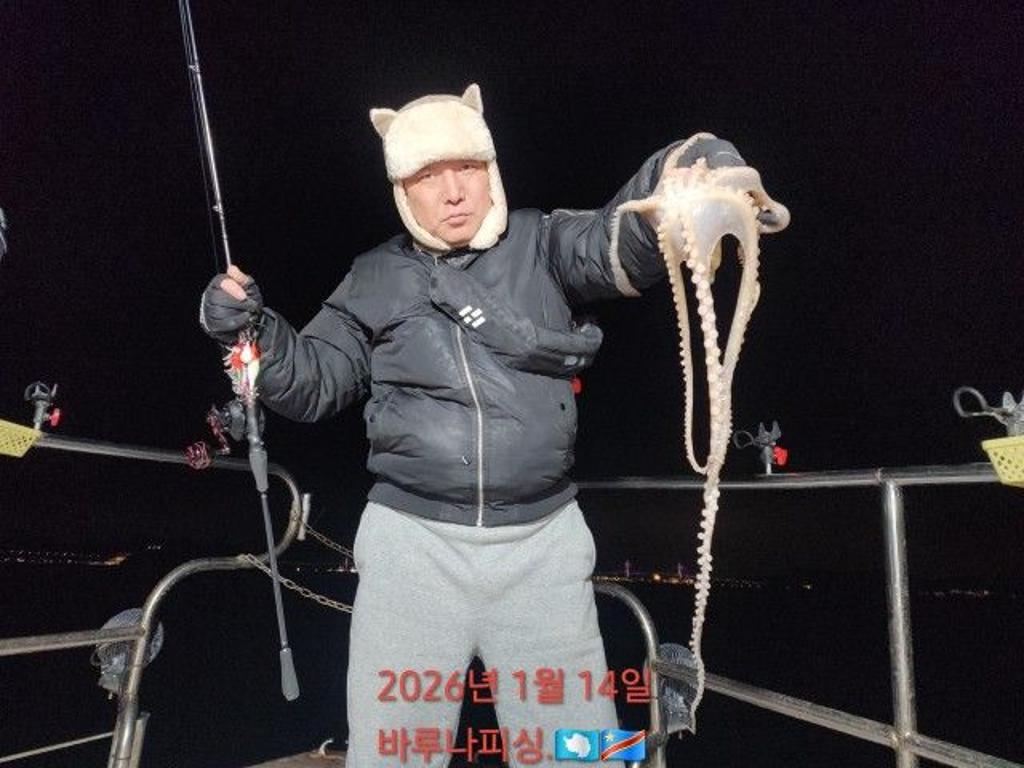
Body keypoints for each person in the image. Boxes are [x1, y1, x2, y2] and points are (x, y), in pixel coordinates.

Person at [200, 83, 747, 767]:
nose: (454, 191)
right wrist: (250, 330)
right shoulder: (373, 276)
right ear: (403, 190)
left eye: (468, 167)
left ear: (491, 169)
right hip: (411, 551)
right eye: (429, 176)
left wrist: (681, 170)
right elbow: (312, 383)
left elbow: (617, 242)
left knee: (580, 754)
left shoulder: (544, 242)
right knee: (393, 753)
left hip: (544, 549)